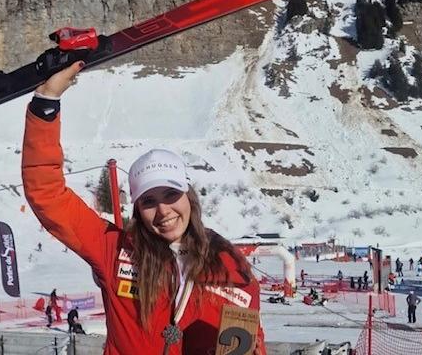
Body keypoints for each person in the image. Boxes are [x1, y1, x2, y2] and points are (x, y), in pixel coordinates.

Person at [22, 62, 266, 354]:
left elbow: (252, 342)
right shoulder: (116, 252)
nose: (163, 211)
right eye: (149, 201)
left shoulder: (230, 265)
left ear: (189, 197)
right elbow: (47, 194)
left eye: (171, 194)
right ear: (137, 210)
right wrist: (46, 103)